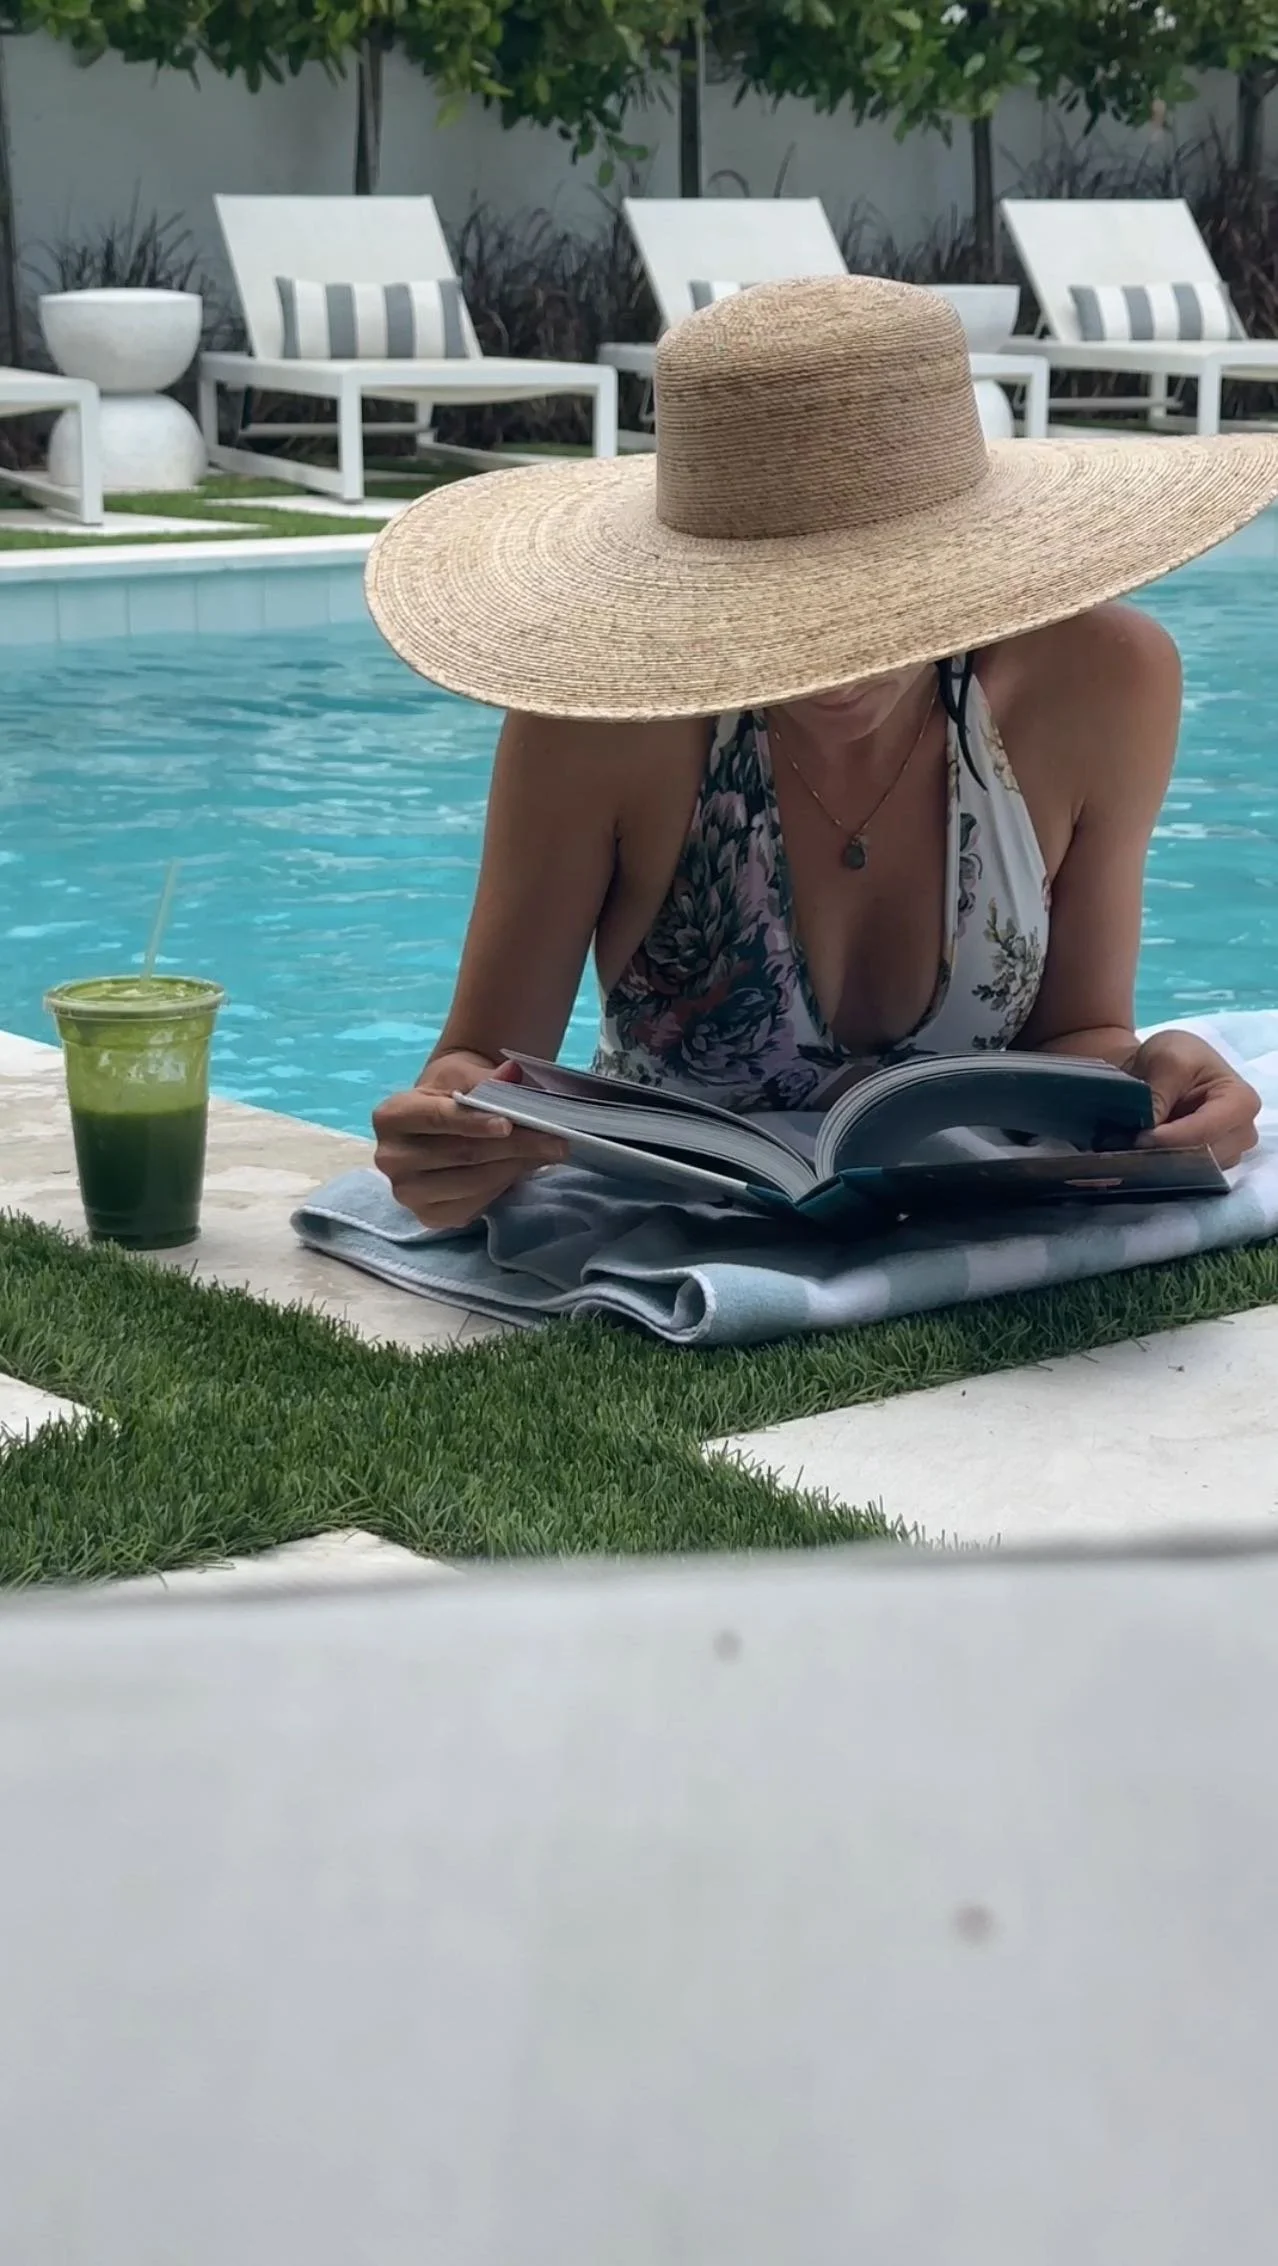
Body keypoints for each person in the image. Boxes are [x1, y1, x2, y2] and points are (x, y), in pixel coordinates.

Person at [366, 275, 1278, 1230]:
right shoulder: (600, 726)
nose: (838, 671)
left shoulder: (1102, 682)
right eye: (776, 604)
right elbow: (482, 1065)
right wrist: (450, 1134)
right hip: (680, 1235)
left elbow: (1078, 1032)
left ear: (974, 555)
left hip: (968, 1243)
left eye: (885, 596)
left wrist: (1149, 1080)